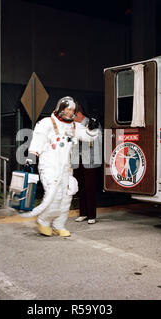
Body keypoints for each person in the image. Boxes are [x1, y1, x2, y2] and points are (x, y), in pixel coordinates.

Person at [22, 96, 99, 237]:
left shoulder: (73, 126)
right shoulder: (47, 123)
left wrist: (93, 128)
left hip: (65, 168)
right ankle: (43, 221)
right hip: (49, 166)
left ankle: (59, 225)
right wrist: (31, 160)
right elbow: (37, 141)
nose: (71, 112)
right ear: (61, 108)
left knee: (66, 197)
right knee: (55, 196)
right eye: (68, 109)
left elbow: (88, 136)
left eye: (73, 110)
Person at [72, 106, 102, 224]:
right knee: (81, 187)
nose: (72, 118)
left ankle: (91, 215)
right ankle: (83, 213)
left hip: (90, 160)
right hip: (77, 159)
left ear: (79, 114)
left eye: (73, 115)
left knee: (90, 188)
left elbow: (95, 140)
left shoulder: (93, 123)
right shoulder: (74, 125)